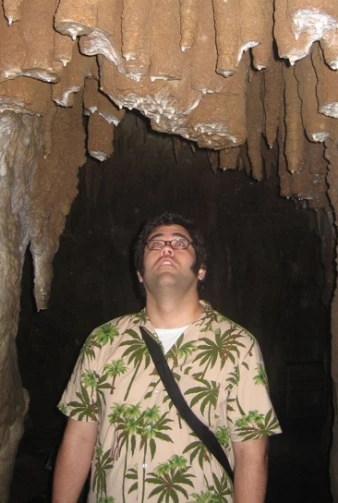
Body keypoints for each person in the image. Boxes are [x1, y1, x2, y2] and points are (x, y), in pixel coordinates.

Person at [52, 212, 281, 503]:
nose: (167, 248)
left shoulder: (237, 346)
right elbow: (79, 439)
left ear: (201, 271)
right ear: (139, 273)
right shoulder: (103, 341)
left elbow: (251, 454)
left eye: (180, 243)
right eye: (155, 244)